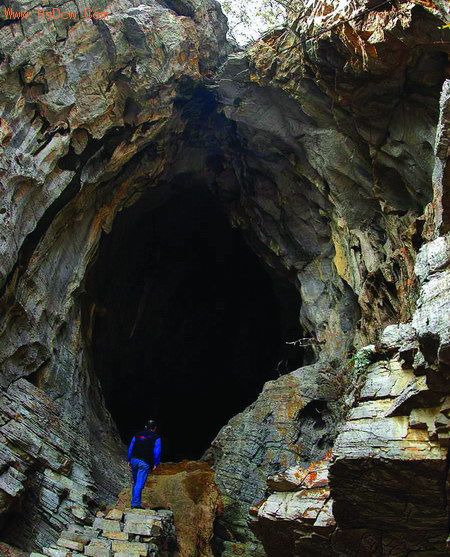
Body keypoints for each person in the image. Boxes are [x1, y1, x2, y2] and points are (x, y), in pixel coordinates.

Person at [127, 419, 162, 509]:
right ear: (155, 428)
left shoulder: (137, 435)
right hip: (145, 462)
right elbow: (157, 451)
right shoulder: (156, 437)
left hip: (134, 460)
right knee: (139, 483)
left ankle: (135, 503)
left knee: (135, 482)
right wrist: (155, 463)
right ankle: (135, 505)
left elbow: (131, 447)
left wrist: (129, 460)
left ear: (145, 427)